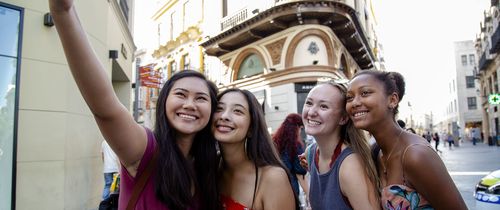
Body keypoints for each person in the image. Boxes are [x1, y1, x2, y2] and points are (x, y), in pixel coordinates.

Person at [48, 1, 221, 209]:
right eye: (180, 95)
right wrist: (63, 12)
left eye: (201, 98)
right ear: (164, 102)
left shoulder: (212, 168)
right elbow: (105, 108)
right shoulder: (145, 150)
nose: (190, 104)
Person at [346, 70, 467, 209]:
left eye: (365, 93)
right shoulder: (376, 153)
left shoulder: (416, 154)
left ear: (392, 100)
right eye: (349, 98)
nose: (354, 103)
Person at [213, 88, 297, 210]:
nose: (224, 116)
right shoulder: (208, 168)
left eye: (237, 111)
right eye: (219, 109)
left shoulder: (273, 178)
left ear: (251, 128)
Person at [301, 81, 380, 209]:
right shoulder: (310, 153)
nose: (311, 112)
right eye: (309, 103)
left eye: (323, 106)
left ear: (343, 118)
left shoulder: (350, 165)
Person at [272, 113, 309, 197]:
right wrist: (310, 197)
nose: (300, 132)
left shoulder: (273, 143)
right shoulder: (296, 146)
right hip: (290, 190)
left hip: (272, 189)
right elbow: (300, 175)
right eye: (301, 128)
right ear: (297, 127)